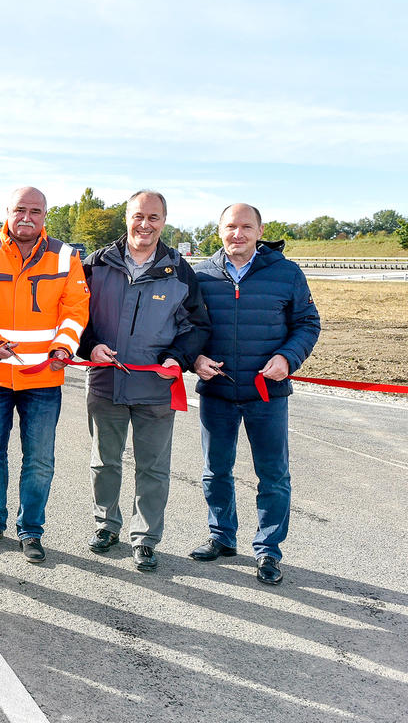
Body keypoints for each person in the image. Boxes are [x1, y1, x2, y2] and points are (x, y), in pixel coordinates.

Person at [79, 190, 210, 572]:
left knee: (153, 467)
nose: (145, 224)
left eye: (154, 217)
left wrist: (179, 357)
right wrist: (91, 345)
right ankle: (106, 526)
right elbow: (74, 316)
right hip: (106, 382)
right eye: (139, 216)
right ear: (127, 218)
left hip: (156, 387)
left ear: (163, 222)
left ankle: (146, 538)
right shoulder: (95, 263)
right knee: (104, 462)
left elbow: (197, 325)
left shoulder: (179, 269)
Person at [190, 203, 320, 586]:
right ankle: (221, 536)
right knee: (215, 471)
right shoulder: (200, 275)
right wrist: (193, 357)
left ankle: (268, 550)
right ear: (219, 231)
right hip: (217, 392)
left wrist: (287, 357)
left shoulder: (286, 273)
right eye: (231, 226)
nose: (238, 234)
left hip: (268, 393)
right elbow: (187, 327)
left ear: (260, 231)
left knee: (273, 475)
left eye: (247, 227)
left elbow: (308, 324)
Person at [0, 186, 90, 565]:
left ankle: (31, 530)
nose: (27, 217)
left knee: (39, 459)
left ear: (44, 215)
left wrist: (65, 347)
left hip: (44, 378)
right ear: (7, 211)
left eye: (35, 211)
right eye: (20, 209)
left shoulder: (66, 257)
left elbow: (76, 308)